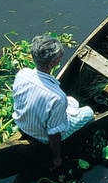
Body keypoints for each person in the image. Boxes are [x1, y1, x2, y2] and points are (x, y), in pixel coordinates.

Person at [12, 35, 94, 170]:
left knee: (71, 101)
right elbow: (54, 134)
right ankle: (90, 115)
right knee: (89, 111)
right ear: (52, 64)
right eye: (59, 58)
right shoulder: (57, 98)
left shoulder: (22, 74)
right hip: (43, 136)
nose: (60, 59)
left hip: (22, 124)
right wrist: (57, 158)